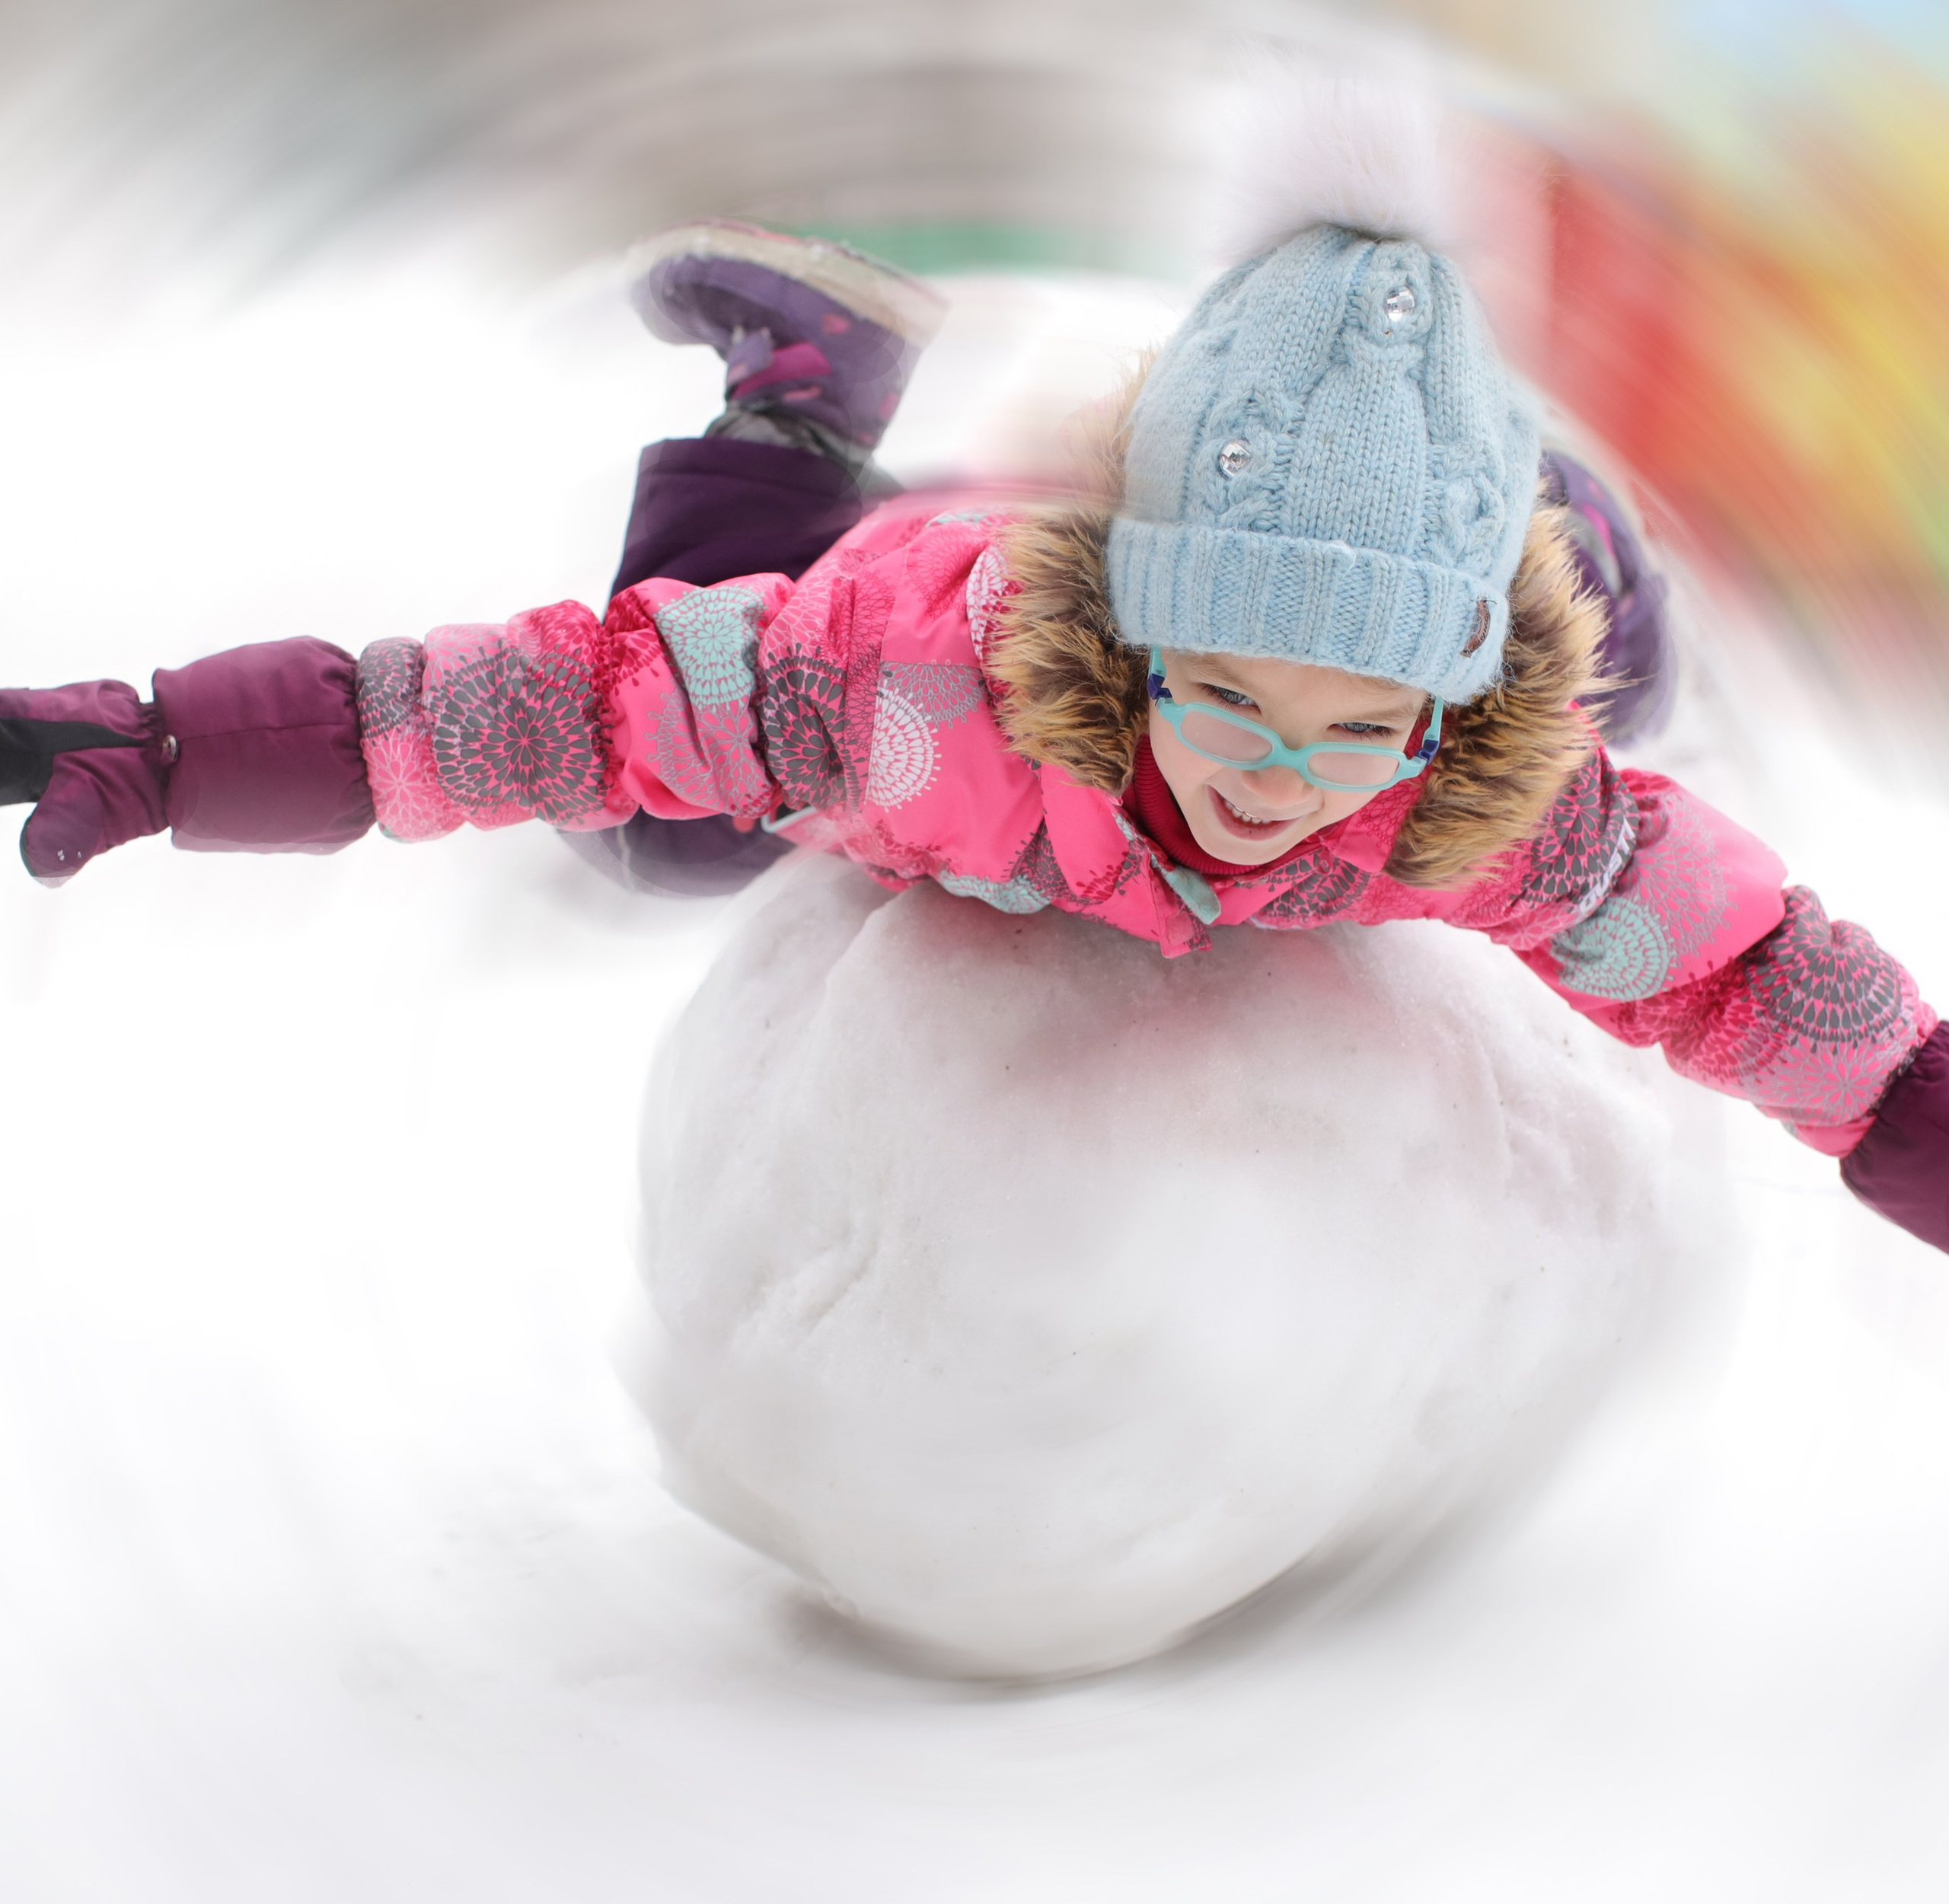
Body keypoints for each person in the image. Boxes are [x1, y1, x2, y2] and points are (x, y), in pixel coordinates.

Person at [2, 217, 1944, 1253]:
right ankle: (798, 386)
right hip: (903, 588)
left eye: (1359, 728)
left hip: (1515, 580)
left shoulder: (1487, 804)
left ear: (1445, 721)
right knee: (670, 819)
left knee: (1626, 674)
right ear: (1126, 640)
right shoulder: (905, 685)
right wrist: (179, 750)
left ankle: (1583, 556)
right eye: (1226, 700)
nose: (1277, 775)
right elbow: (556, 703)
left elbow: (1764, 981)